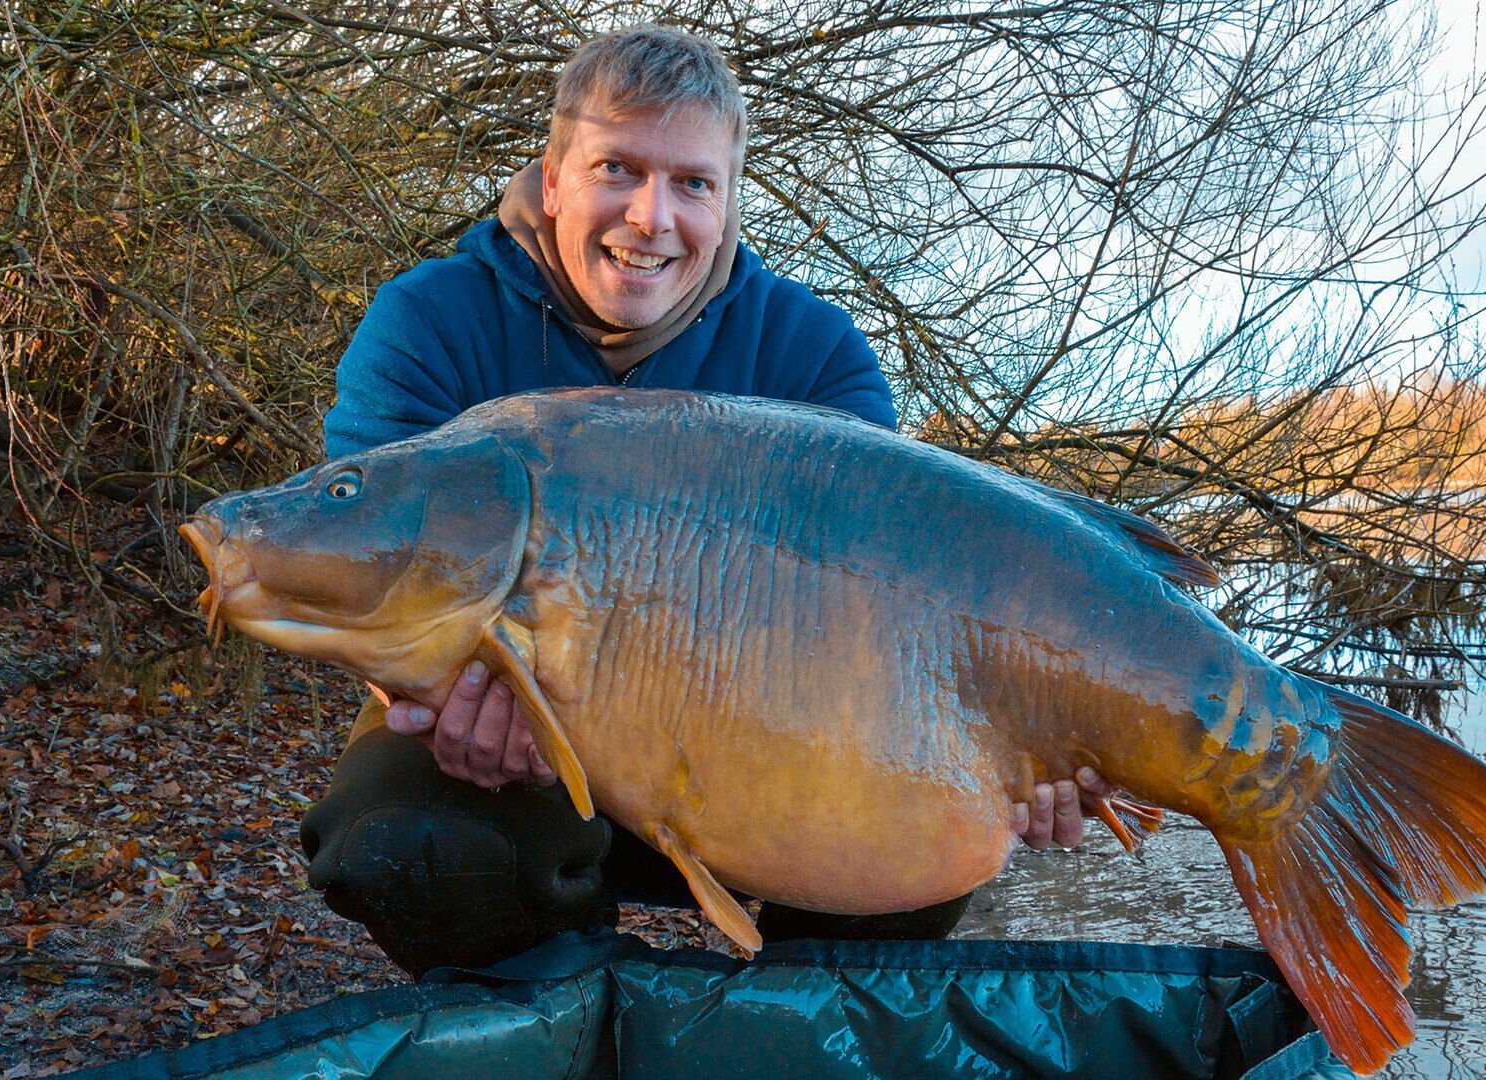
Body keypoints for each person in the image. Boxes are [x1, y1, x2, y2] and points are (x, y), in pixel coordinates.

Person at [299, 24, 1108, 976]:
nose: (651, 217)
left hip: (767, 734)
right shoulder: (432, 321)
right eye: (617, 169)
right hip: (502, 740)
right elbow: (367, 572)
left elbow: (898, 619)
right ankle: (560, 1018)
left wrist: (1034, 746)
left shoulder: (814, 356)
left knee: (918, 862)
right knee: (408, 847)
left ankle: (784, 1037)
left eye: (693, 183)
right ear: (552, 176)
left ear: (726, 204)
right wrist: (433, 704)